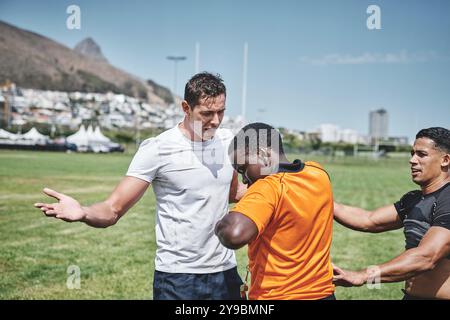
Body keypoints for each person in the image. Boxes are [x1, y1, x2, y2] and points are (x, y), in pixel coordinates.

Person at [34, 72, 247, 300]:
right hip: (179, 278)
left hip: (225, 273)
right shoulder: (158, 148)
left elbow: (233, 192)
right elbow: (113, 208)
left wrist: (279, 189)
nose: (215, 120)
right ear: (186, 107)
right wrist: (84, 212)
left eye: (221, 112)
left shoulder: (227, 141)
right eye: (207, 113)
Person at [215, 122, 336, 300]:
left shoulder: (268, 187)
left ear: (261, 154)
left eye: (243, 168)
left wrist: (217, 222)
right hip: (324, 293)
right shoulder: (318, 173)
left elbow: (234, 234)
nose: (245, 179)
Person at [333, 127, 450, 300]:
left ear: (445, 160)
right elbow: (369, 220)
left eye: (421, 154)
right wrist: (318, 199)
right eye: (412, 153)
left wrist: (364, 275)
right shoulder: (414, 199)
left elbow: (427, 257)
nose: (412, 160)